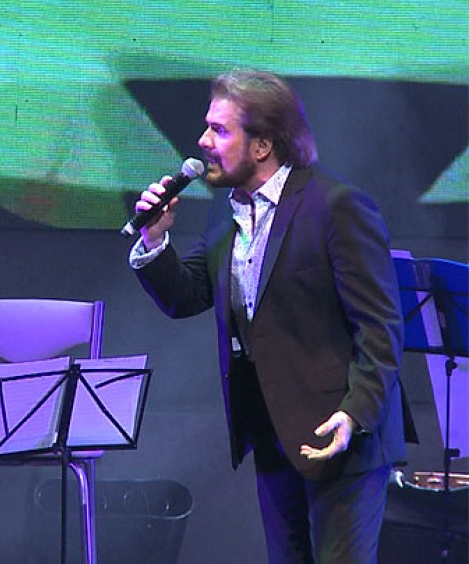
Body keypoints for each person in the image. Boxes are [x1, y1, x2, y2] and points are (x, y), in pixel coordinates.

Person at [128, 69, 414, 563]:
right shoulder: (226, 212)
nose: (203, 142)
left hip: (342, 434)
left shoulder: (336, 206)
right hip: (274, 431)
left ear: (262, 145)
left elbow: (380, 327)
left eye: (219, 130)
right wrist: (154, 240)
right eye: (207, 127)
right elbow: (186, 296)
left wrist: (354, 413)